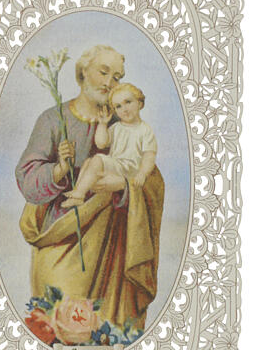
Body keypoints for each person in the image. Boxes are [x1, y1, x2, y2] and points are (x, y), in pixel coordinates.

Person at [15, 45, 164, 330]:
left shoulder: (125, 122)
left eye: (117, 77)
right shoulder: (53, 119)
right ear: (83, 72)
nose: (109, 83)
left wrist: (125, 185)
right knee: (60, 325)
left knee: (107, 332)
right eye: (103, 72)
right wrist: (59, 170)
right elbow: (27, 179)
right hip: (61, 237)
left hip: (113, 249)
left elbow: (152, 178)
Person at [61, 83, 157, 208]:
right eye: (118, 106)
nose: (124, 109)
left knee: (97, 160)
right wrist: (102, 124)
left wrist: (142, 173)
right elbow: (101, 143)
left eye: (128, 102)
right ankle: (78, 191)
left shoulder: (145, 130)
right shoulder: (117, 127)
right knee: (89, 161)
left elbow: (149, 156)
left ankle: (79, 195)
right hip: (116, 165)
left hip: (129, 169)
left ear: (139, 103)